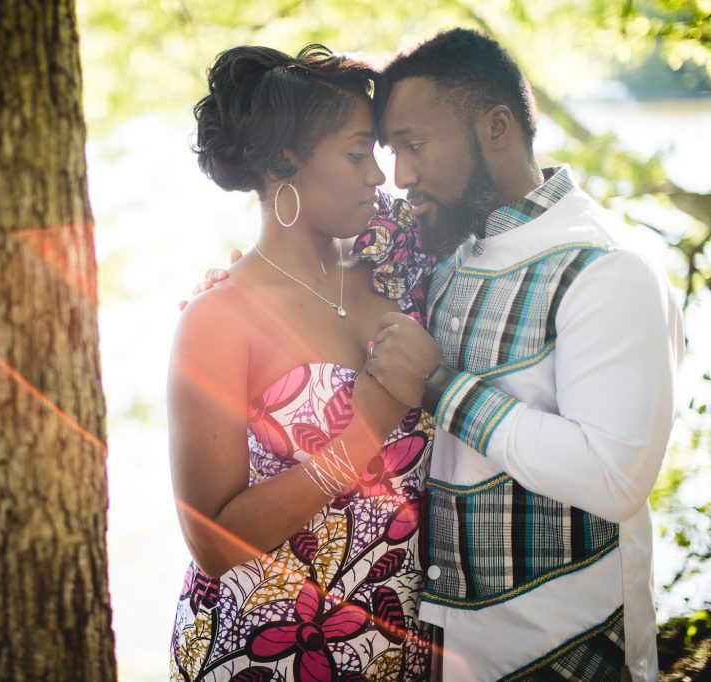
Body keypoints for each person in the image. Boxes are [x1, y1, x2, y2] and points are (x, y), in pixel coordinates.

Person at [362, 29, 685, 680]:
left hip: (566, 653)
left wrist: (441, 386)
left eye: (414, 145)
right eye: (390, 150)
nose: (401, 175)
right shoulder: (451, 250)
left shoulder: (603, 270)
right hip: (448, 651)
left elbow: (614, 478)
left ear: (497, 127)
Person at [168, 44, 437, 680]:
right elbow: (213, 543)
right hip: (262, 649)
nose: (378, 176)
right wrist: (369, 417)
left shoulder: (397, 269)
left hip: (397, 648)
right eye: (355, 154)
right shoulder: (218, 319)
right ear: (286, 161)